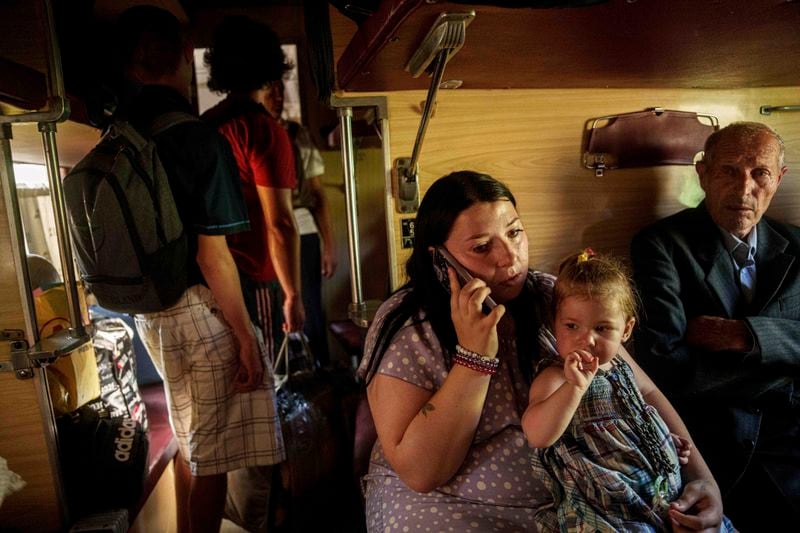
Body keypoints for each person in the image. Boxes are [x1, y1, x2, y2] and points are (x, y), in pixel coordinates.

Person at [358, 170, 726, 532]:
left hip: (581, 497)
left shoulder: (554, 299)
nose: (510, 258)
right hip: (448, 506)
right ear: (441, 259)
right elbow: (423, 474)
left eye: (515, 233)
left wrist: (705, 480)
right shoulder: (409, 328)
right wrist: (475, 357)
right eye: (482, 247)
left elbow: (639, 388)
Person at [116, 7, 284, 533]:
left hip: (150, 312)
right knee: (215, 453)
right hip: (203, 305)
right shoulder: (199, 138)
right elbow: (215, 255)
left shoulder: (120, 132)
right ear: (184, 59)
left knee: (193, 436)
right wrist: (243, 335)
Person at [631, 121, 800, 530]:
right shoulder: (661, 245)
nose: (744, 189)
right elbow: (665, 365)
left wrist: (743, 337)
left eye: (759, 173)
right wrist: (785, 376)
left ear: (778, 179)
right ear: (703, 173)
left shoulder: (797, 245)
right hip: (716, 445)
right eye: (728, 170)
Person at [524, 249, 732, 532]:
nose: (586, 339)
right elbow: (538, 435)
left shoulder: (620, 367)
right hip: (605, 508)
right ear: (554, 325)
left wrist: (664, 440)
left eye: (602, 328)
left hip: (660, 497)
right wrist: (574, 389)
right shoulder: (556, 377)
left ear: (626, 330)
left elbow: (634, 416)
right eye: (571, 326)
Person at [201, 16, 304, 352]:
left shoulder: (205, 125)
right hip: (254, 276)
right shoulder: (263, 131)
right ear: (273, 66)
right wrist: (292, 295)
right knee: (264, 375)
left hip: (210, 276)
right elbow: (281, 225)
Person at [263, 78, 337, 367]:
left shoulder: (297, 135)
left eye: (282, 90)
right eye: (271, 89)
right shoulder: (255, 134)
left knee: (309, 308)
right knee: (273, 311)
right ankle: (283, 379)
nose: (278, 96)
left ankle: (318, 374)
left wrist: (330, 247)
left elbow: (318, 195)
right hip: (266, 235)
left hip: (303, 231)